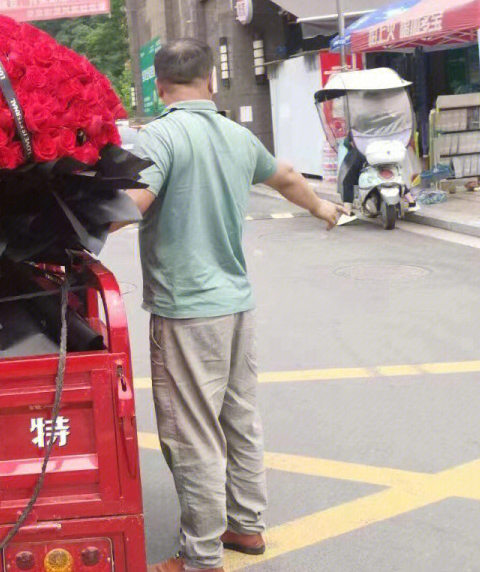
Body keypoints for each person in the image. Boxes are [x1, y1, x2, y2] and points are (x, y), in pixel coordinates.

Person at [123, 39, 345, 572]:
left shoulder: (159, 138)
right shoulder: (236, 135)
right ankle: (245, 525)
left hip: (187, 311)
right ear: (211, 81)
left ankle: (199, 556)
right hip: (236, 304)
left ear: (159, 84)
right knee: (239, 418)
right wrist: (323, 209)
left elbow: (130, 205)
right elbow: (287, 177)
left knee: (191, 431)